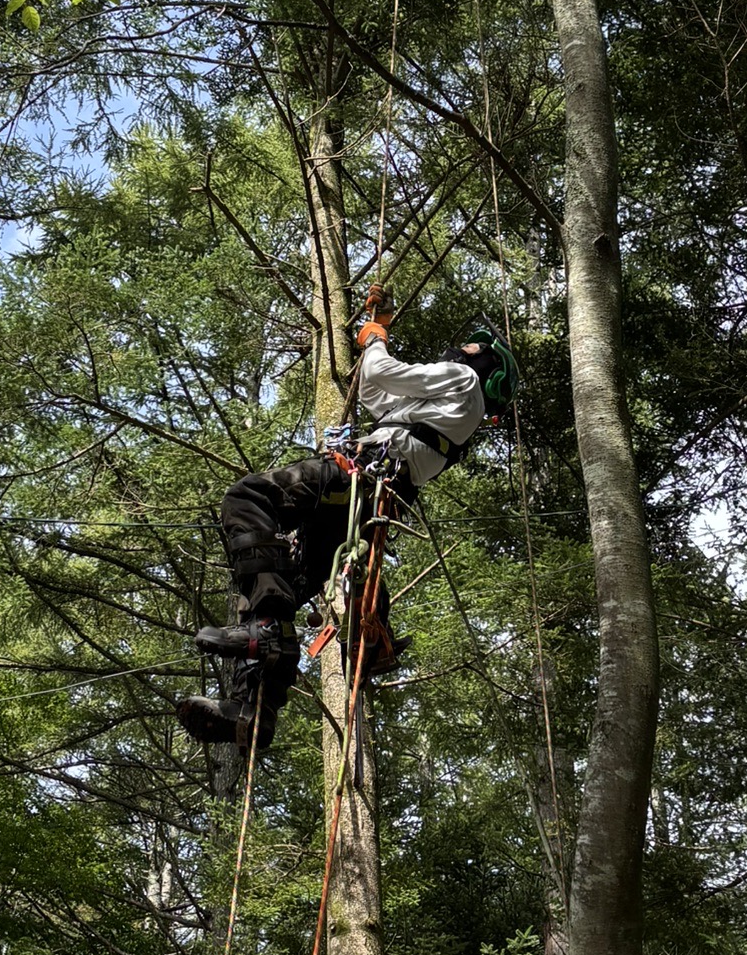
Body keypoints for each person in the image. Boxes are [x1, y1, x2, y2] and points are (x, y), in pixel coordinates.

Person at [175, 293, 520, 754]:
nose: (464, 349)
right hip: (363, 503)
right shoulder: (446, 408)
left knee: (249, 496)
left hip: (360, 477)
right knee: (281, 587)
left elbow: (379, 373)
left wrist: (375, 338)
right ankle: (252, 710)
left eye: (476, 348)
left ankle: (268, 638)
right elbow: (378, 394)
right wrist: (378, 337)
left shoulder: (463, 381)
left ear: (486, 366)